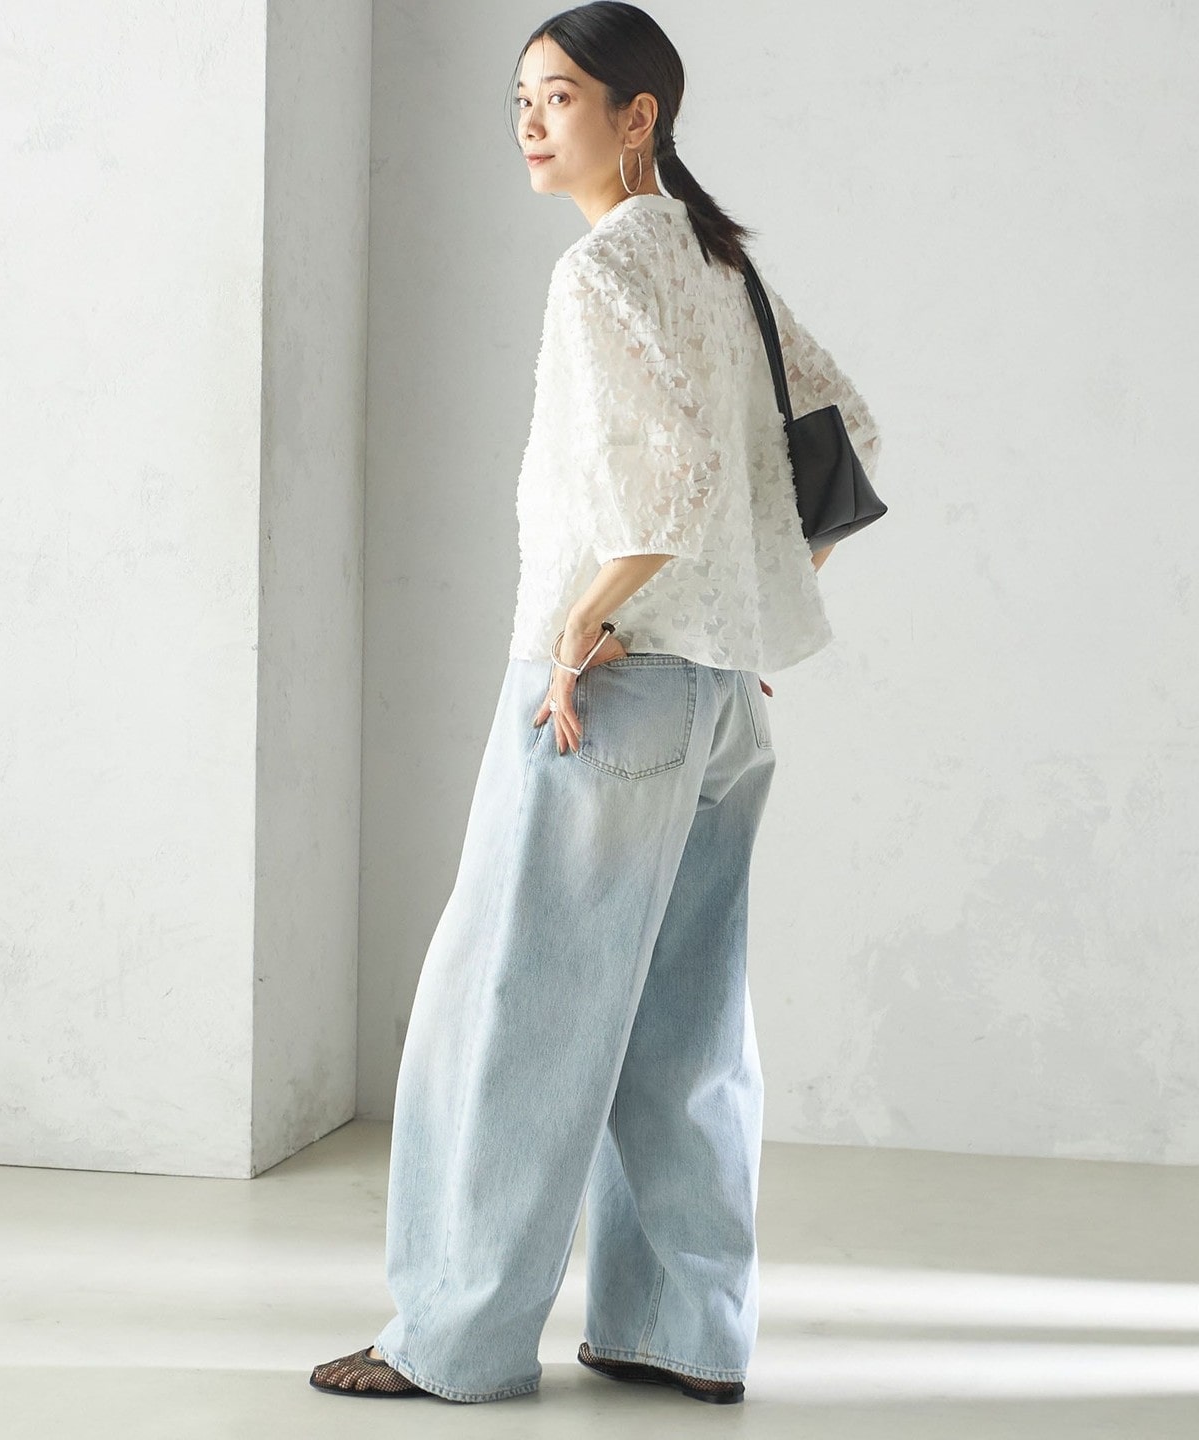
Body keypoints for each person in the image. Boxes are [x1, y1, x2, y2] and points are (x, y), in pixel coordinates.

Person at [310, 0, 881, 1407]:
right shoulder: (721, 266)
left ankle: (455, 1341)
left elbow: (673, 480)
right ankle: (680, 1332)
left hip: (608, 693)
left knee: (509, 1014)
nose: (528, 121)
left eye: (558, 96)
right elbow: (846, 438)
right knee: (687, 1025)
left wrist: (583, 629)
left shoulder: (603, 270)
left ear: (640, 118)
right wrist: (748, 610)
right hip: (719, 699)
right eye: (520, 96)